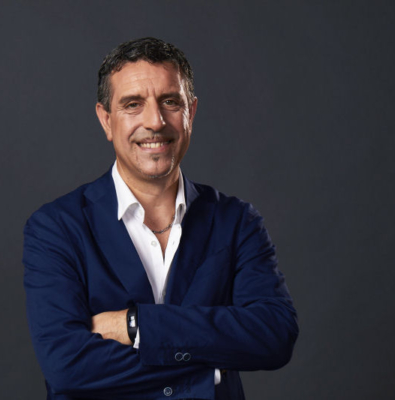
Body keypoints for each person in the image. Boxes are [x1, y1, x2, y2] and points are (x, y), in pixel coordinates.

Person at [23, 37, 298, 400]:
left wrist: (135, 325)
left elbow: (274, 335)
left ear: (191, 113)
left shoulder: (237, 221)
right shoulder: (56, 227)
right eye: (132, 105)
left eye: (170, 102)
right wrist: (209, 368)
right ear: (106, 120)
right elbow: (67, 366)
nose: (155, 121)